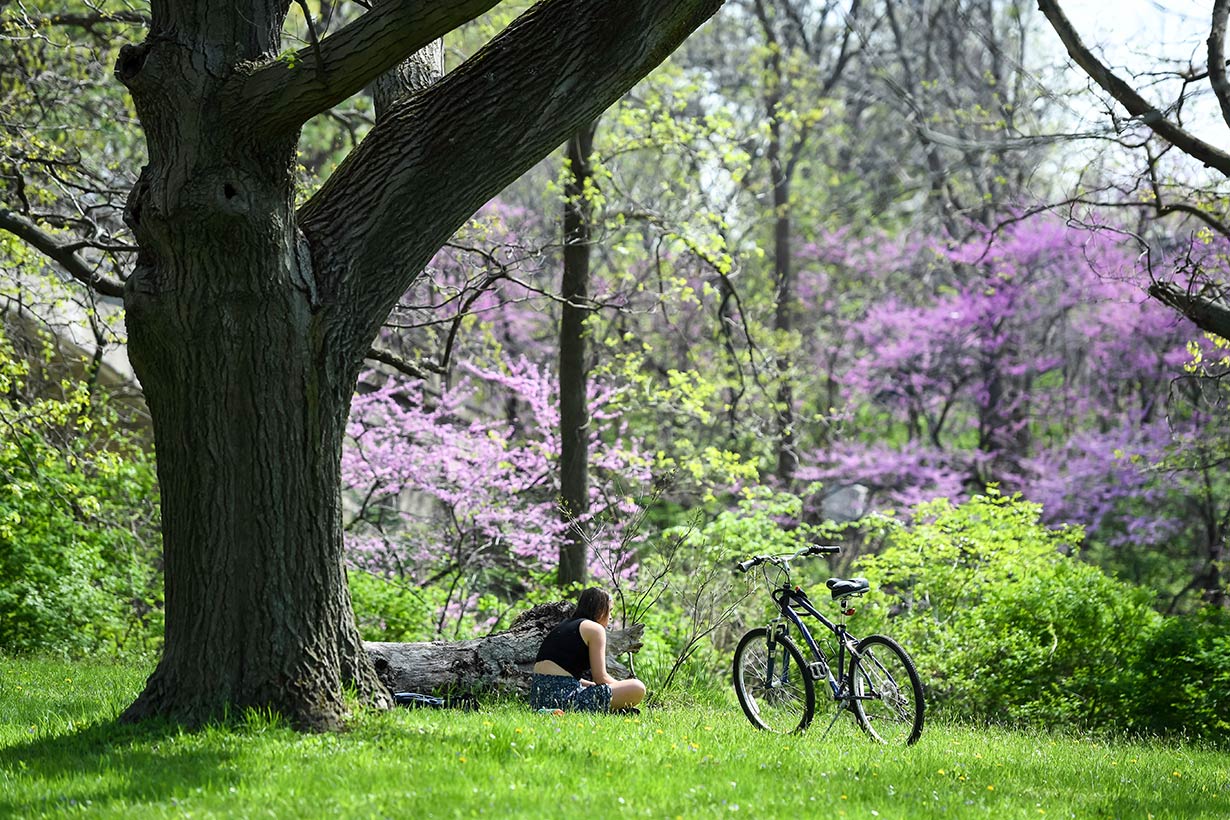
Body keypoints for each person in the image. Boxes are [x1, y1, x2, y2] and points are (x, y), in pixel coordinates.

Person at [529, 587, 647, 713]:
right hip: (565, 699)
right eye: (610, 611)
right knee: (637, 687)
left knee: (596, 688)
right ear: (601, 611)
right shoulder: (594, 629)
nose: (610, 617)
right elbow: (601, 678)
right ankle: (570, 710)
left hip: (539, 699)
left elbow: (566, 677)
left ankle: (550, 711)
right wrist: (619, 687)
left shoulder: (564, 625)